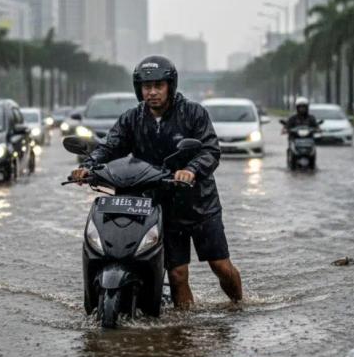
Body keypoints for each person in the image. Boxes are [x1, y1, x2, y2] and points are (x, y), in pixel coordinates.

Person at [70, 55, 242, 309]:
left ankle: (239, 304)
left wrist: (191, 170)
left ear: (170, 86)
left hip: (200, 205)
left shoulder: (194, 113)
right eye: (146, 87)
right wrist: (88, 166)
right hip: (159, 206)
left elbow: (211, 151)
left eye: (158, 86)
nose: (152, 92)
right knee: (177, 274)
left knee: (220, 266)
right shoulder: (132, 118)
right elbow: (110, 145)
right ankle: (184, 329)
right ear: (139, 89)